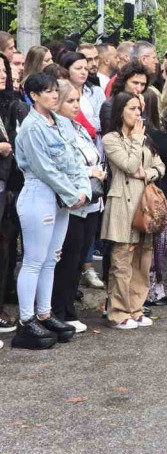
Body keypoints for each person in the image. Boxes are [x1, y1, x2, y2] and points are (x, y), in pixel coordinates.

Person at [11, 73, 90, 349]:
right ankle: (26, 320)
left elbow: (76, 161)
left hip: (63, 198)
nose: (54, 96)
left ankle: (44, 313)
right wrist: (72, 194)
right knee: (34, 259)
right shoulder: (31, 128)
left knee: (51, 258)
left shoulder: (64, 123)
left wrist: (83, 191)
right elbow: (43, 168)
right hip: (39, 195)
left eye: (55, 91)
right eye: (47, 91)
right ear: (33, 95)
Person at [102, 92, 166, 329]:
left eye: (140, 109)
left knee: (143, 258)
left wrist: (147, 173)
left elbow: (160, 165)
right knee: (122, 260)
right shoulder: (111, 138)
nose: (138, 113)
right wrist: (136, 140)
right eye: (132, 108)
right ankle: (118, 312)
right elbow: (128, 165)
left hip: (145, 205)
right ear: (120, 111)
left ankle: (136, 309)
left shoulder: (145, 137)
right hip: (122, 205)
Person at [50, 79, 105, 334]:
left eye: (77, 100)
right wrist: (89, 171)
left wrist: (96, 171)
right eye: (70, 101)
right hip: (70, 203)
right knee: (67, 260)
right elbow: (61, 166)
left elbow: (94, 154)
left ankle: (69, 308)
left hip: (91, 201)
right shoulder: (55, 130)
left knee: (80, 254)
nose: (75, 105)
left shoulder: (79, 127)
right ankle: (58, 310)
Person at [0, 53, 27, 332]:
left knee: (7, 246)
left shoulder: (13, 105)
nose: (4, 74)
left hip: (10, 185)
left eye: (4, 69)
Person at [141, 89, 167, 308]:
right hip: (153, 196)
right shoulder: (156, 134)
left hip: (138, 194)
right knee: (155, 245)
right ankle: (153, 290)